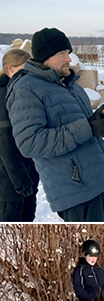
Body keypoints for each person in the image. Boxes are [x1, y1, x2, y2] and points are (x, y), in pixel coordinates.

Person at [7, 28, 104, 221]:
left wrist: (102, 125)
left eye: (68, 53)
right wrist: (88, 127)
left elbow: (84, 127)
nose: (69, 59)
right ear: (45, 57)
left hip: (95, 178)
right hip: (74, 188)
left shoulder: (70, 85)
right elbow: (30, 143)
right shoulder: (26, 89)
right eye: (62, 53)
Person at [0, 48, 39, 222]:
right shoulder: (3, 94)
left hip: (27, 173)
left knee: (28, 219)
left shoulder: (21, 91)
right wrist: (21, 181)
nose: (27, 75)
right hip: (10, 179)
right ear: (10, 68)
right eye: (23, 70)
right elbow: (5, 141)